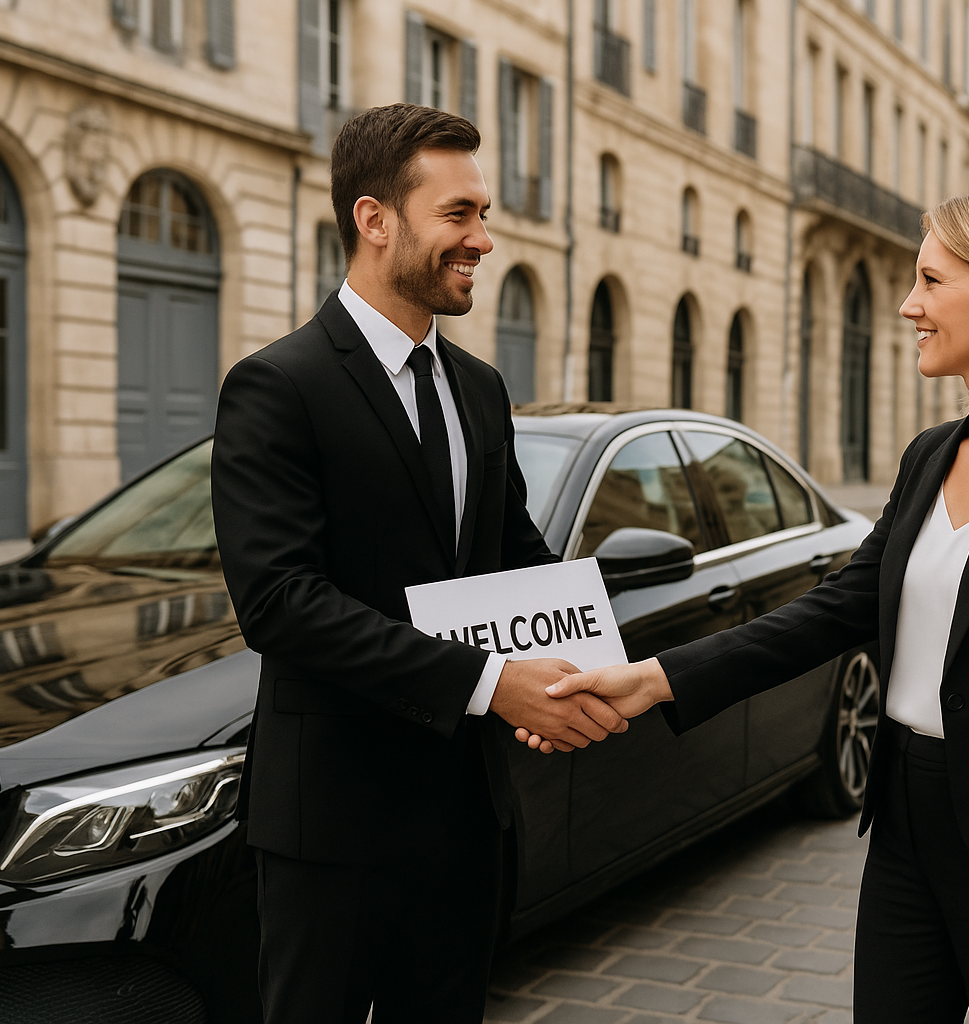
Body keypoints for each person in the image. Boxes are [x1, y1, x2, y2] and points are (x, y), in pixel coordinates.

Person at [537, 185, 969, 1020]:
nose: (909, 305)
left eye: (932, 282)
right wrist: (657, 677)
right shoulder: (929, 456)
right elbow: (833, 608)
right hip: (905, 825)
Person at [211, 104, 626, 1024]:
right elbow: (281, 603)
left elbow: (511, 557)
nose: (483, 238)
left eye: (484, 213)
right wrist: (491, 683)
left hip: (465, 817)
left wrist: (587, 666)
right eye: (460, 214)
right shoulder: (278, 386)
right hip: (333, 820)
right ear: (375, 219)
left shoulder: (478, 387)